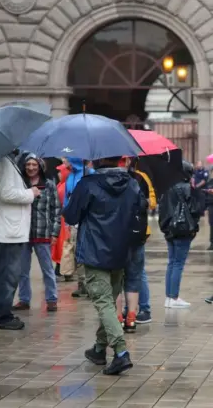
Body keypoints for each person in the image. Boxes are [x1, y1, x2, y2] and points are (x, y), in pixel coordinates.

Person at [64, 156, 142, 376]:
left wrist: (75, 199)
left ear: (96, 160)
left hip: (95, 250)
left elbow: (71, 216)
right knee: (107, 301)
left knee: (104, 302)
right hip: (121, 250)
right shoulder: (132, 184)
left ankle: (120, 352)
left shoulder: (88, 184)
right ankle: (99, 349)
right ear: (120, 159)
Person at [0, 151, 38, 330]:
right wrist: (31, 193)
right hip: (6, 231)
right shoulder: (2, 162)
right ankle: (1, 316)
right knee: (6, 276)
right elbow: (7, 193)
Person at [14, 154, 61, 312]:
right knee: (23, 270)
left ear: (40, 167)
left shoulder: (48, 185)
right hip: (23, 233)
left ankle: (52, 299)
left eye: (34, 165)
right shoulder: (21, 184)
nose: (31, 168)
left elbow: (56, 210)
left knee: (47, 269)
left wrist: (55, 233)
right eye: (28, 165)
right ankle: (24, 299)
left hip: (43, 232)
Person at [116, 157, 156, 331]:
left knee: (135, 274)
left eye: (125, 159)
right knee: (120, 275)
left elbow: (152, 201)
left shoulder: (140, 178)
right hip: (116, 235)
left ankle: (140, 310)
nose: (123, 162)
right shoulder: (107, 178)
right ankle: (123, 314)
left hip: (136, 233)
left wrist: (142, 202)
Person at [159, 161, 202, 308]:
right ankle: (174, 297)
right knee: (178, 264)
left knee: (171, 263)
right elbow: (196, 210)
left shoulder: (166, 187)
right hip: (183, 229)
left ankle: (168, 298)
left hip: (170, 229)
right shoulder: (187, 188)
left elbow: (162, 209)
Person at [62, 158, 94, 298]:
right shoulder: (71, 175)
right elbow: (67, 198)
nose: (64, 163)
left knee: (86, 251)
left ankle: (89, 284)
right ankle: (82, 284)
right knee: (76, 251)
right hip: (74, 220)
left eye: (67, 160)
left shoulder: (90, 173)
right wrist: (66, 219)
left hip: (86, 219)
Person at [52, 162, 71, 280]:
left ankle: (63, 268)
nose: (59, 173)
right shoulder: (62, 185)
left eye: (60, 171)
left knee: (63, 245)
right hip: (61, 220)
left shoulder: (63, 187)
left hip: (63, 221)